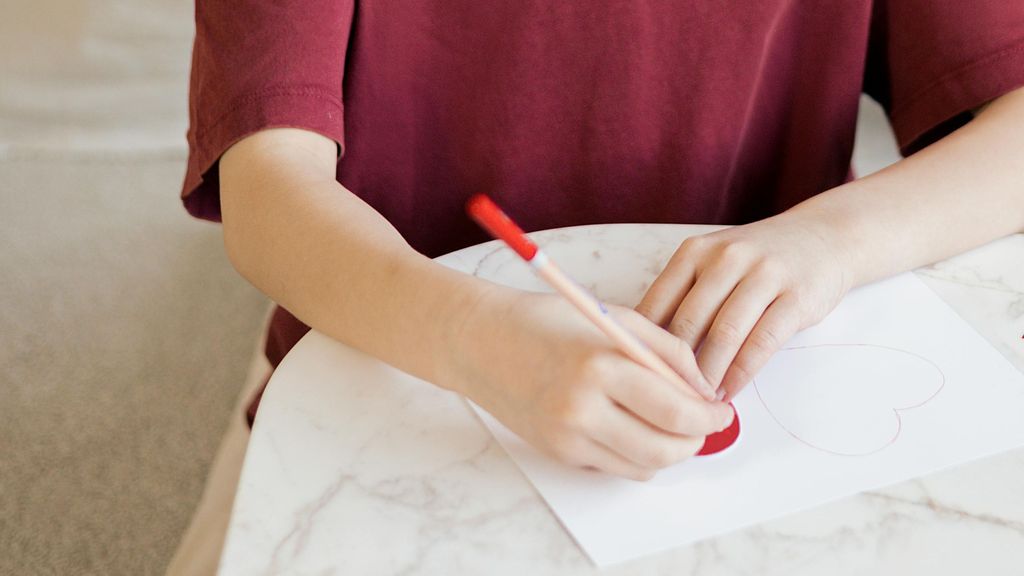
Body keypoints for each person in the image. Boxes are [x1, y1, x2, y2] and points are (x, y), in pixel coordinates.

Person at [166, 1, 1024, 573]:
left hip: (751, 383)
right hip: (396, 352)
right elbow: (267, 187)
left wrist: (833, 238)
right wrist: (470, 335)